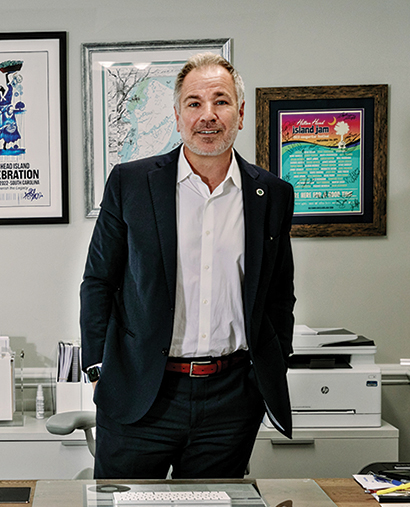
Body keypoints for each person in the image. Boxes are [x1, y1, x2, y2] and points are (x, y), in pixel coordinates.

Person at [80, 53, 296, 479]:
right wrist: (97, 368)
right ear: (177, 116)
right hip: (142, 391)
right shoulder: (130, 183)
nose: (208, 115)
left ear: (240, 112)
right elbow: (98, 281)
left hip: (230, 398)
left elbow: (278, 292)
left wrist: (273, 364)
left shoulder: (271, 194)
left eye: (221, 101)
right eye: (195, 103)